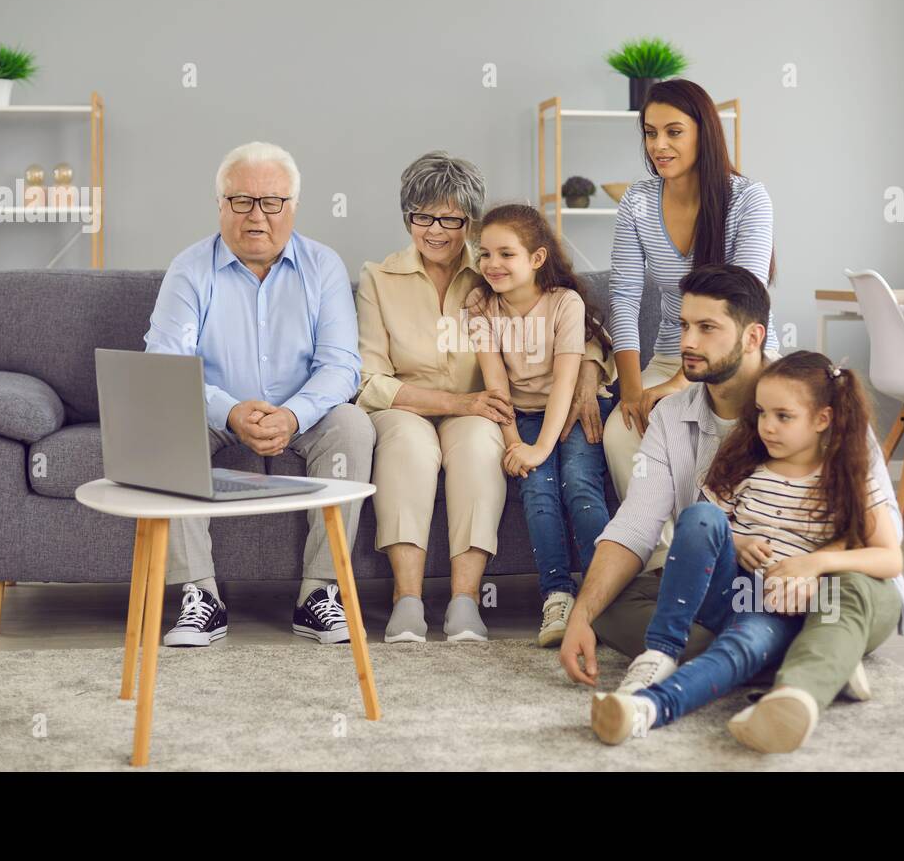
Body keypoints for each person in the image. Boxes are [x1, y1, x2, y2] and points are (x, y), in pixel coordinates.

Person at [560, 264, 904, 752]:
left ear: (753, 336)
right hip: (744, 590)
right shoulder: (673, 415)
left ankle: (789, 656)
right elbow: (638, 525)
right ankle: (813, 660)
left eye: (707, 328)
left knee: (858, 590)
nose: (688, 341)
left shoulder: (819, 401)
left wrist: (810, 567)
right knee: (607, 600)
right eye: (684, 325)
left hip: (839, 584)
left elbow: (883, 539)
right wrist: (582, 614)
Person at [355, 153, 614, 642]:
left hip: (484, 408)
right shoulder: (378, 278)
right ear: (407, 216)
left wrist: (588, 368)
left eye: (451, 219)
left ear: (468, 221)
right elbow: (369, 382)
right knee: (408, 448)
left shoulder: (495, 267)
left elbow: (572, 315)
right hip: (408, 405)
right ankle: (406, 599)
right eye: (422, 216)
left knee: (478, 447)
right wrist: (456, 404)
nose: (436, 231)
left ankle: (465, 600)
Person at [144, 141, 375, 647]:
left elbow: (341, 366)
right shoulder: (190, 268)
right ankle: (200, 597)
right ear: (221, 206)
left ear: (292, 207)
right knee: (166, 423)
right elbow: (166, 366)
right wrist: (229, 411)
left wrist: (292, 415)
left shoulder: (324, 266)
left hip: (305, 415)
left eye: (272, 202)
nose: (256, 216)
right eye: (241, 201)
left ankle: (321, 594)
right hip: (211, 412)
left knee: (355, 426)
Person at [602, 79, 779, 511]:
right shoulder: (637, 202)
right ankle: (663, 559)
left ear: (704, 132)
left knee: (734, 431)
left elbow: (744, 297)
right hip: (670, 354)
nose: (659, 145)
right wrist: (631, 392)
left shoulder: (748, 198)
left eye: (674, 132)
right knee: (619, 433)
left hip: (742, 360)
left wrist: (683, 383)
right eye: (650, 132)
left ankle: (732, 551)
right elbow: (623, 295)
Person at [465, 204, 615, 646]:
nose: (492, 264)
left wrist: (542, 446)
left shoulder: (564, 303)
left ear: (536, 258)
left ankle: (601, 593)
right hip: (522, 416)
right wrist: (515, 444)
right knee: (536, 487)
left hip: (571, 408)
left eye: (506, 254)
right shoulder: (480, 305)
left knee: (579, 481)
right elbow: (496, 386)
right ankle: (557, 595)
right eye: (485, 254)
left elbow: (568, 382)